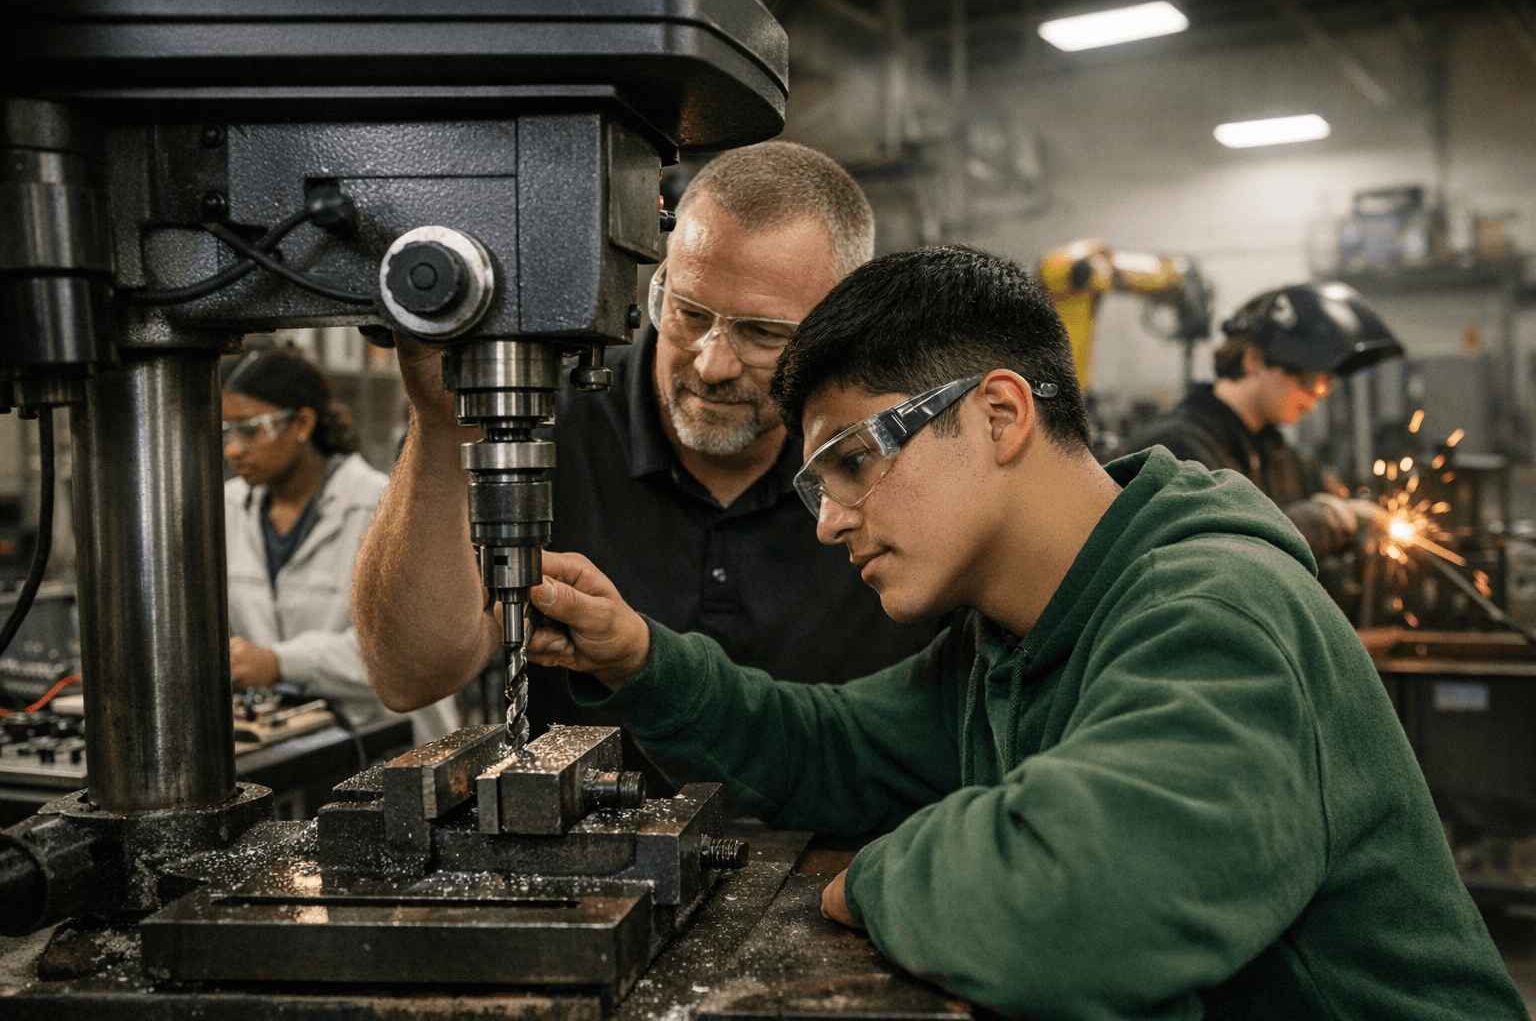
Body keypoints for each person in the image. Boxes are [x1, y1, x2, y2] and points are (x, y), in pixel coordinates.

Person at [370, 246, 1524, 1017]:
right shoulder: (1009, 639)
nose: (829, 520)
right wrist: (642, 659)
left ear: (1000, 412)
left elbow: (1077, 907)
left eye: (852, 462)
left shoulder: (1213, 608)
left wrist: (876, 875)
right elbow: (829, 745)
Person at [354, 141, 944, 785]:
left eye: (763, 334)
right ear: (657, 283)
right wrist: (442, 428)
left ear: (840, 328)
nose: (711, 365)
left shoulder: (898, 457)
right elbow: (409, 678)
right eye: (688, 314)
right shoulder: (536, 425)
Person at [222, 349, 457, 745]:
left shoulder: (382, 506)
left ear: (302, 423)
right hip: (292, 739)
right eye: (227, 432)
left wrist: (280, 663)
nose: (233, 449)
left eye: (249, 430)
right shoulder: (227, 508)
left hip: (392, 741)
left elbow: (406, 652)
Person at [1128, 282, 1402, 560]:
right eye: (1308, 378)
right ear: (1254, 360)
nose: (1318, 394)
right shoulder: (1176, 450)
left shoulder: (1279, 455)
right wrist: (1322, 521)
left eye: (1327, 382)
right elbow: (1221, 556)